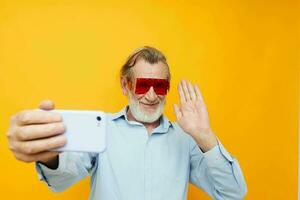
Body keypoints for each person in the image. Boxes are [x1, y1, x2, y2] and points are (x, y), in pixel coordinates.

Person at [6, 46, 247, 200]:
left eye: (160, 86)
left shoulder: (186, 140)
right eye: (143, 85)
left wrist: (204, 136)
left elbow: (233, 193)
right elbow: (60, 181)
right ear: (125, 85)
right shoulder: (102, 131)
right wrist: (49, 156)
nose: (151, 96)